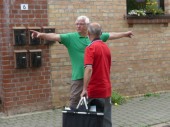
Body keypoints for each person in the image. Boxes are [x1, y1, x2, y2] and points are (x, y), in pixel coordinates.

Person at [31, 15, 133, 108]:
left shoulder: (96, 37)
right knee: (75, 102)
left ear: (88, 26)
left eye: (81, 24)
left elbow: (111, 35)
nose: (78, 26)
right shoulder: (71, 38)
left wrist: (125, 34)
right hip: (79, 77)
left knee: (94, 104)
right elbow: (55, 36)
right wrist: (40, 35)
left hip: (94, 78)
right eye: (77, 24)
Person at [80, 22, 112, 127]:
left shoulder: (90, 48)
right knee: (106, 121)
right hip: (106, 89)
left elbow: (89, 69)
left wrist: (84, 89)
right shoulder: (106, 47)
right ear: (100, 33)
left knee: (93, 121)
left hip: (95, 91)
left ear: (88, 33)